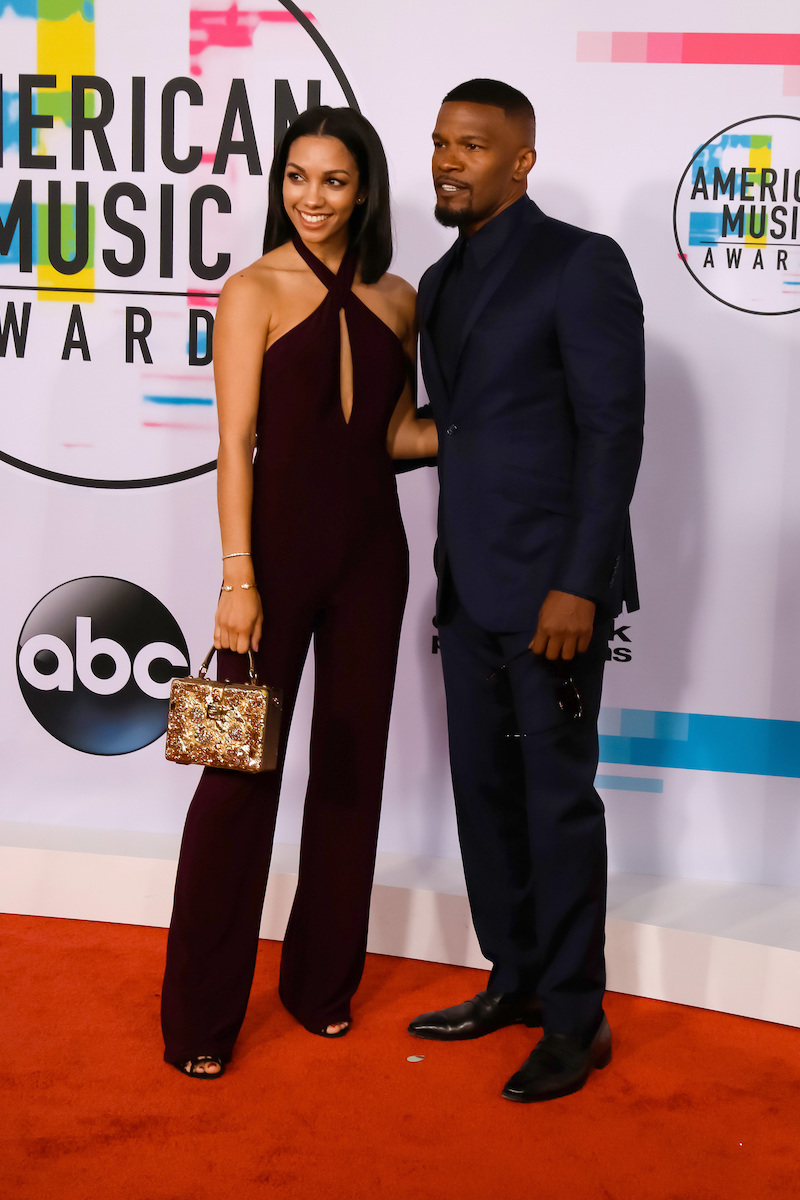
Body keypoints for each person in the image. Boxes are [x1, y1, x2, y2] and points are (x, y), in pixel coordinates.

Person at [161, 106, 437, 1078]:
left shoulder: (399, 297)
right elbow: (233, 446)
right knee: (238, 782)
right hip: (271, 562)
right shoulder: (253, 290)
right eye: (294, 177)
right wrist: (236, 577)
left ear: (362, 188)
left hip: (374, 558)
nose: (310, 199)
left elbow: (395, 437)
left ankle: (320, 986)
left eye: (330, 180)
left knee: (351, 774)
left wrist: (503, 416)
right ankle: (198, 1022)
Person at [408, 79, 645, 1102]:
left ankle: (574, 1018)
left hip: (551, 592)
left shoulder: (580, 264)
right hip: (465, 587)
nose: (447, 162)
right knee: (482, 797)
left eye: (470, 146)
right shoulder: (438, 278)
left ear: (520, 160)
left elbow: (610, 433)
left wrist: (577, 586)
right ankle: (508, 979)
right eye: (438, 144)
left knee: (555, 807)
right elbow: (449, 426)